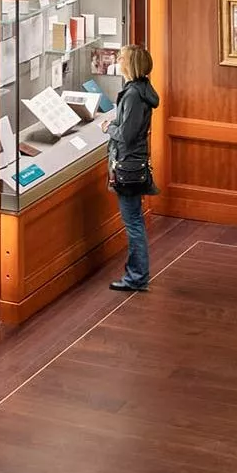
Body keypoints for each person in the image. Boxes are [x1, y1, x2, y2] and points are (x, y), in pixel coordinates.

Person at [108, 45, 160, 292]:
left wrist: (109, 128)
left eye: (122, 58)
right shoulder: (142, 90)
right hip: (135, 163)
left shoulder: (131, 95)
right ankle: (137, 275)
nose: (118, 61)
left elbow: (126, 136)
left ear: (129, 65)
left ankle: (136, 277)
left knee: (134, 224)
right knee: (135, 220)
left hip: (127, 165)